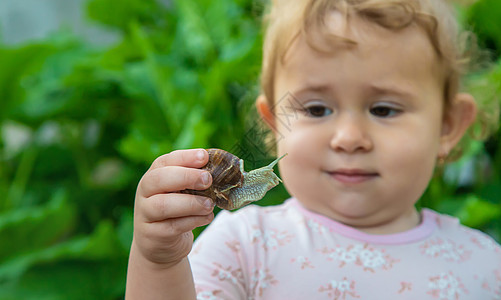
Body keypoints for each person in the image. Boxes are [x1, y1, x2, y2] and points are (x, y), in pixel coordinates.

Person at [125, 0, 501, 299]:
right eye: (317, 109)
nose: (349, 137)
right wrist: (159, 264)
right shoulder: (245, 247)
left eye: (384, 109)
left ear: (448, 126)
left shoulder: (484, 267)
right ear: (273, 123)